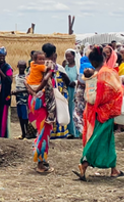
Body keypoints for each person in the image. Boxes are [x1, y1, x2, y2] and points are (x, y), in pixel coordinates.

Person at [75, 45, 124, 181]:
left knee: (100, 138)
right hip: (104, 112)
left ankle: (114, 169)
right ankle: (84, 164)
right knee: (100, 139)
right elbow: (116, 91)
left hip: (92, 111)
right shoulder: (107, 72)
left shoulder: (92, 73)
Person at [26, 44, 58, 174]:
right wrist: (37, 91)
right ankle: (40, 162)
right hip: (43, 101)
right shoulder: (49, 65)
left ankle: (42, 160)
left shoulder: (32, 67)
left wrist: (32, 92)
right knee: (44, 131)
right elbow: (46, 80)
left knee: (42, 130)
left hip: (35, 101)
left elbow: (25, 82)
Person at [61, 49, 80, 138]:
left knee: (75, 110)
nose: (68, 58)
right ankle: (70, 131)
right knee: (68, 109)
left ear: (74, 56)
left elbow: (80, 77)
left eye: (70, 56)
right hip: (68, 90)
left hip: (75, 90)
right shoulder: (66, 67)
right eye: (67, 56)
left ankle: (77, 131)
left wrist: (75, 82)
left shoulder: (78, 67)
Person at [13, 60, 31, 140]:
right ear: (17, 66)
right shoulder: (16, 76)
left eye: (23, 67)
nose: (21, 69)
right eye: (20, 67)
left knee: (25, 117)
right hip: (18, 100)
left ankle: (26, 133)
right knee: (20, 117)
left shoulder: (27, 77)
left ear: (25, 68)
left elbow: (28, 90)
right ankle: (23, 133)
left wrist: (18, 92)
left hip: (24, 100)